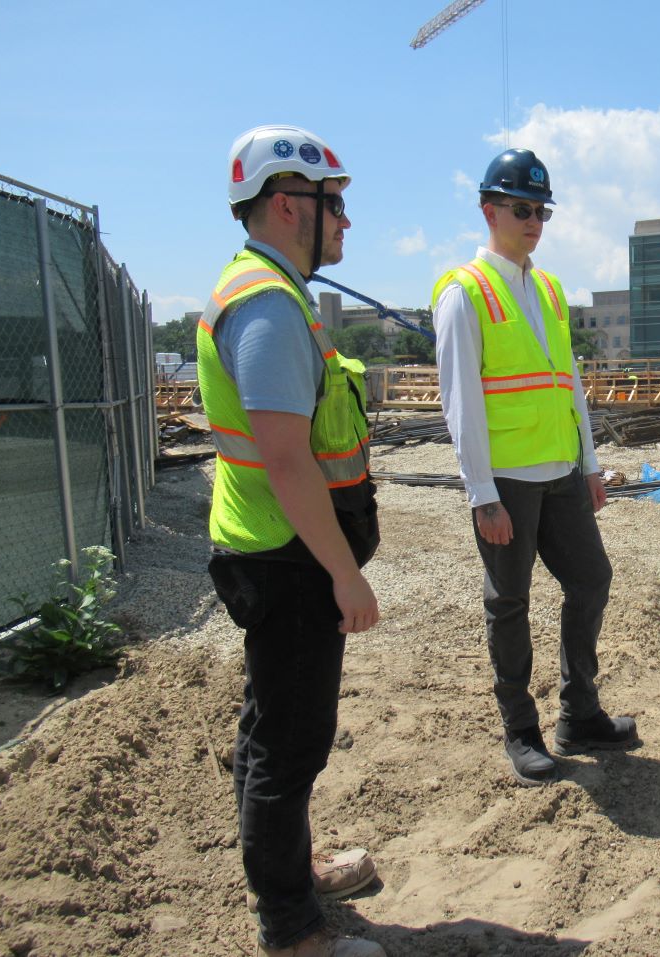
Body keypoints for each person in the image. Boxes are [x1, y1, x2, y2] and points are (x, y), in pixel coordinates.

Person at [197, 125, 384, 957]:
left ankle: (294, 871)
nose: (344, 222)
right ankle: (292, 930)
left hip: (272, 550)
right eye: (332, 205)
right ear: (286, 205)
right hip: (287, 558)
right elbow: (284, 456)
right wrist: (346, 576)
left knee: (272, 725)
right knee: (290, 741)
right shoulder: (268, 305)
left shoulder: (271, 291)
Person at [432, 148, 638, 788]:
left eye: (541, 211)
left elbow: (568, 380)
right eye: (522, 209)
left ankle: (579, 712)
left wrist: (591, 462)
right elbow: (459, 400)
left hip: (560, 473)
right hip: (509, 483)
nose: (534, 222)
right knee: (509, 602)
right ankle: (521, 730)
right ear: (489, 209)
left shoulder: (546, 287)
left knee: (591, 579)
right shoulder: (463, 292)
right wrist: (481, 493)